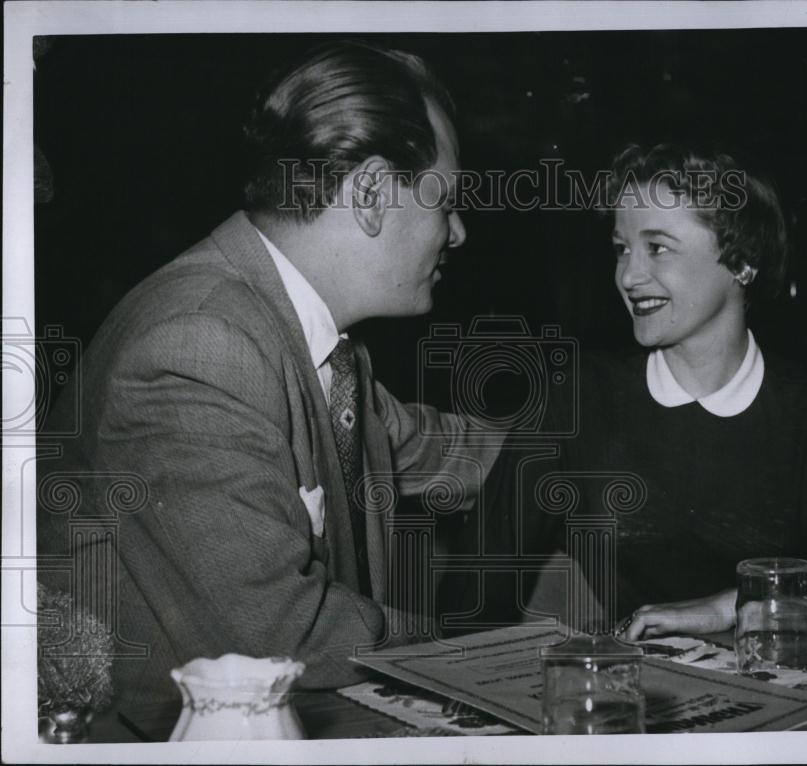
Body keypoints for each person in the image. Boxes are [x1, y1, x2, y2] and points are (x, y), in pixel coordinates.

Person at [36, 42, 501, 705]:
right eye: (444, 202)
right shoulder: (198, 345)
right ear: (369, 192)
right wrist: (497, 654)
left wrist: (631, 427)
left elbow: (448, 452)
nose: (456, 233)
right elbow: (281, 632)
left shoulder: (318, 346)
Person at [457, 143, 807, 640]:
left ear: (742, 263)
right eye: (621, 249)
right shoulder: (574, 400)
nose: (629, 276)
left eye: (658, 247)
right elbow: (473, 589)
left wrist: (733, 607)